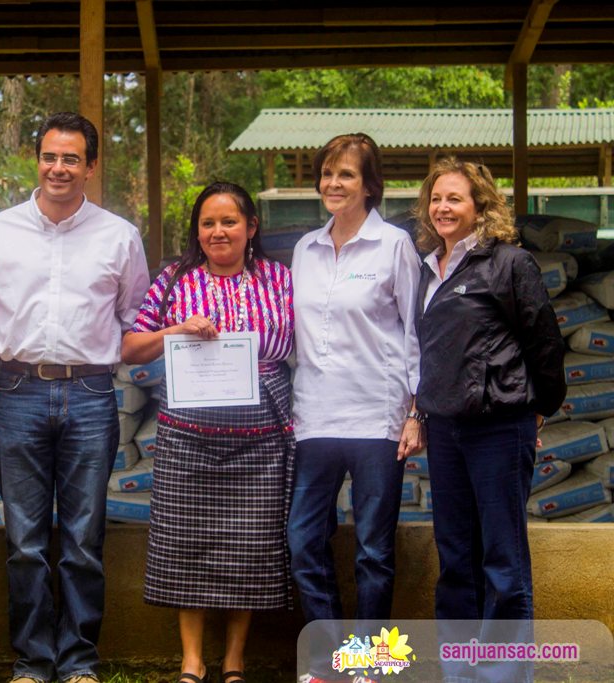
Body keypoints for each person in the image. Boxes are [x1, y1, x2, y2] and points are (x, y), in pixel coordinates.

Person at [0, 112, 149, 683]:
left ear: (91, 166)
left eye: (72, 158)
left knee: (83, 538)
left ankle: (77, 661)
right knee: (23, 539)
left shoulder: (119, 236)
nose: (59, 168)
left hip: (93, 394)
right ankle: (31, 660)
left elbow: (132, 316)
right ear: (36, 159)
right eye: (50, 156)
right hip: (16, 391)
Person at [121, 182, 294, 683]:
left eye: (229, 221)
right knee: (185, 544)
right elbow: (131, 347)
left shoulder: (279, 279)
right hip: (188, 436)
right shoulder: (174, 280)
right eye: (208, 223)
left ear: (251, 228)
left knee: (252, 544)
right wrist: (174, 331)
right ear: (197, 231)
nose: (218, 232)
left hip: (260, 436)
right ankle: (192, 662)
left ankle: (235, 660)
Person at [288, 133, 423, 683]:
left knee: (372, 548)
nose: (332, 184)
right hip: (314, 417)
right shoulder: (305, 248)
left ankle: (367, 665)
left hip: (377, 418)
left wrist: (415, 412)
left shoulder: (394, 246)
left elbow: (416, 333)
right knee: (303, 539)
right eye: (326, 173)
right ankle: (327, 660)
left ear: (370, 185)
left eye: (345, 174)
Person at [414, 159, 564, 642]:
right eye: (436, 199)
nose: (442, 207)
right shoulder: (427, 268)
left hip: (498, 427)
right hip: (446, 428)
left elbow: (544, 343)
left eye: (454, 198)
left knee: (502, 556)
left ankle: (504, 671)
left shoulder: (508, 263)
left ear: (480, 206)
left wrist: (536, 408)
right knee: (455, 553)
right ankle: (460, 665)